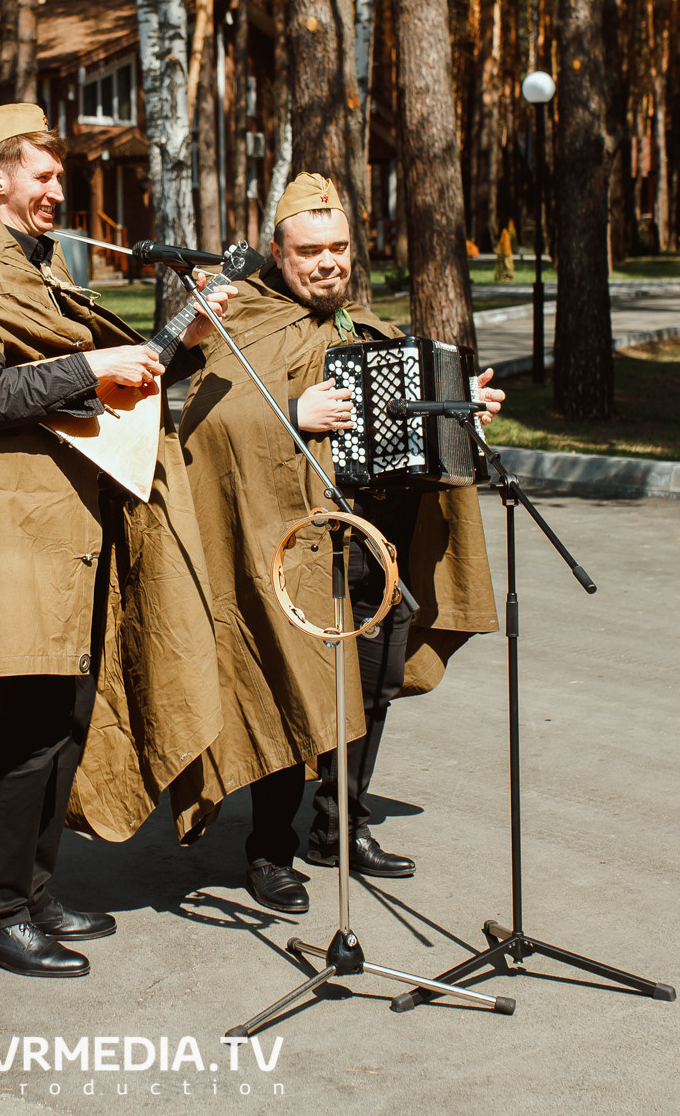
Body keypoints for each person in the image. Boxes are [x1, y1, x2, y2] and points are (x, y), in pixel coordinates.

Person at [0, 104, 232, 979]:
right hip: (16, 532)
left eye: (57, 176)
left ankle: (35, 893)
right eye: (40, 177)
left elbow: (98, 393)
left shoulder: (34, 266)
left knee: (66, 720)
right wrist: (93, 367)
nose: (57, 190)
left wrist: (179, 342)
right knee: (32, 729)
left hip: (67, 529)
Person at [174, 173, 503, 915]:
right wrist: (293, 409)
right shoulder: (244, 322)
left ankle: (338, 828)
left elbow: (408, 422)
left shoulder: (365, 330)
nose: (328, 263)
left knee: (372, 688)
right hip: (292, 547)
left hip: (371, 544)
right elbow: (205, 429)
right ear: (277, 253)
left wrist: (461, 404)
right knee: (290, 693)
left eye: (340, 249)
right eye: (311, 251)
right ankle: (268, 850)